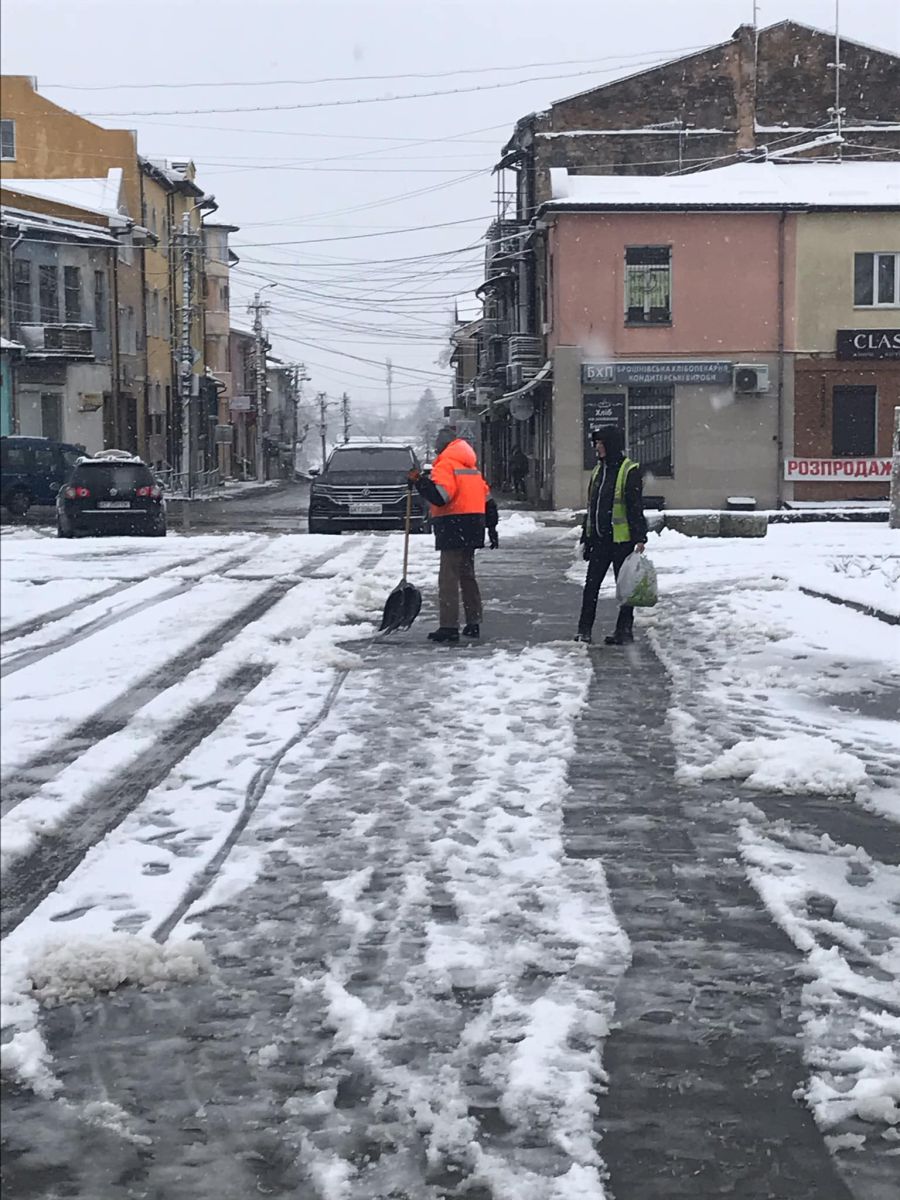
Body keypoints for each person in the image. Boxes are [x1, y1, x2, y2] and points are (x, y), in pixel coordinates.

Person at [411, 427, 499, 644]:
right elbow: (488, 500)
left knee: (448, 577)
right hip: (473, 525)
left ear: (442, 446)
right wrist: (492, 528)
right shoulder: (471, 467)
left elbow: (441, 497)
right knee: (467, 574)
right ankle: (473, 621)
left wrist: (419, 483)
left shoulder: (445, 464)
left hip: (453, 524)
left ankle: (448, 626)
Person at [575, 425, 648, 646]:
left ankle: (624, 630)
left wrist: (639, 536)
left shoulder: (628, 470)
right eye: (596, 443)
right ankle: (584, 630)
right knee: (591, 586)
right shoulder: (599, 471)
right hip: (599, 540)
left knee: (624, 588)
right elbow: (593, 506)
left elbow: (634, 506)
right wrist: (586, 537)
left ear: (611, 444)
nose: (597, 447)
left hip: (621, 541)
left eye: (600, 443)